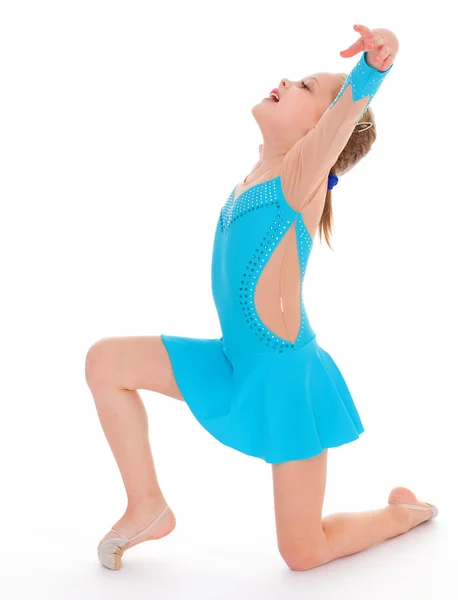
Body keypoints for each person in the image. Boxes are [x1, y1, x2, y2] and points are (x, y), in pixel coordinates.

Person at [88, 23, 438, 572]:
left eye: (304, 86)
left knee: (303, 552)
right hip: (232, 361)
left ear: (320, 134)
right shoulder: (259, 170)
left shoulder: (300, 176)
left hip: (282, 379)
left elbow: (348, 111)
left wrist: (374, 65)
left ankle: (404, 514)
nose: (286, 81)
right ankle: (147, 506)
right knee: (105, 361)